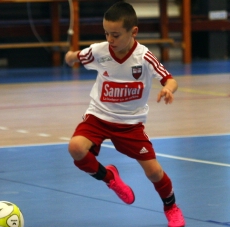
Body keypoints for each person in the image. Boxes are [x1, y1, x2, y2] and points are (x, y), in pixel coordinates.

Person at [64, 2, 185, 227]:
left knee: (154, 172)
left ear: (133, 32)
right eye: (107, 33)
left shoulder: (144, 57)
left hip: (130, 124)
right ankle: (110, 178)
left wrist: (168, 89)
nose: (110, 39)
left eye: (116, 35)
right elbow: (77, 56)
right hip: (99, 116)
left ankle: (171, 207)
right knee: (75, 148)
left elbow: (170, 78)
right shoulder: (99, 51)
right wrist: (70, 56)